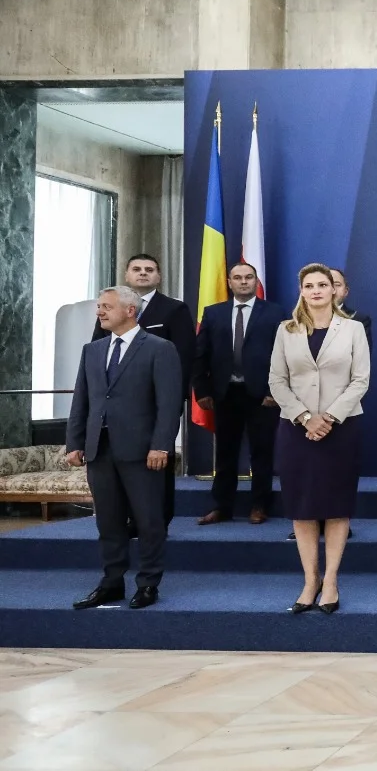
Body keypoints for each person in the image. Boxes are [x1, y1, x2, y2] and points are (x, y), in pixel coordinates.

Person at [66, 286, 184, 610]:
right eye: (99, 306)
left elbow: (169, 404)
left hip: (143, 452)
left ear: (130, 310)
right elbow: (82, 400)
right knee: (108, 521)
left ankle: (148, 584)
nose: (99, 312)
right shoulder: (92, 350)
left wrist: (161, 445)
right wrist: (75, 442)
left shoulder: (160, 348)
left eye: (106, 306)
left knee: (148, 522)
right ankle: (112, 583)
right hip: (99, 450)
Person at [269, 263, 370, 615]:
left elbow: (361, 379)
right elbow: (277, 380)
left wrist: (327, 417)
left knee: (337, 506)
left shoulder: (354, 328)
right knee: (302, 507)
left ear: (334, 290)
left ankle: (331, 582)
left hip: (341, 427)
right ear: (301, 291)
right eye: (309, 286)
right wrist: (304, 416)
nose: (316, 291)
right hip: (296, 430)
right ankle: (310, 580)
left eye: (322, 285)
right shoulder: (286, 330)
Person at [92, 254, 194, 525]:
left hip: (157, 402)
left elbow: (184, 357)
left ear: (158, 276)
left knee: (157, 462)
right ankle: (125, 520)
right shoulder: (109, 309)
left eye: (149, 269)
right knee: (118, 464)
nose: (143, 273)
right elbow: (96, 353)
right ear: (126, 275)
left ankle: (157, 522)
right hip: (115, 404)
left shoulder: (174, 309)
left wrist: (176, 399)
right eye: (136, 269)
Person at [193, 262, 287, 524]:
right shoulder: (213, 313)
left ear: (256, 281)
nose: (243, 281)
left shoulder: (275, 312)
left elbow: (284, 355)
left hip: (263, 395)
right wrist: (202, 390)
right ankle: (222, 507)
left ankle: (260, 505)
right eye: (238, 277)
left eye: (248, 277)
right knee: (225, 453)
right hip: (225, 394)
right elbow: (200, 354)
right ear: (229, 282)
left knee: (262, 452)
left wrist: (275, 391)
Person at [328, 268, 373, 346]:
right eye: (325, 285)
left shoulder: (358, 320)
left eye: (337, 285)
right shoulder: (305, 318)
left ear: (346, 291)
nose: (333, 290)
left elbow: (361, 353)